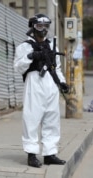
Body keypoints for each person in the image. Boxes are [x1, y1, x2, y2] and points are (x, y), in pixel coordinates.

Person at [14, 14, 69, 168]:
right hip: (34, 83)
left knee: (52, 119)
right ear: (33, 27)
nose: (43, 30)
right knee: (31, 118)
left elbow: (56, 68)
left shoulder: (52, 46)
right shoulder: (24, 47)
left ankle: (50, 154)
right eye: (39, 26)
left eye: (46, 26)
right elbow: (18, 67)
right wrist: (31, 56)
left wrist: (62, 82)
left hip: (50, 85)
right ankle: (31, 154)